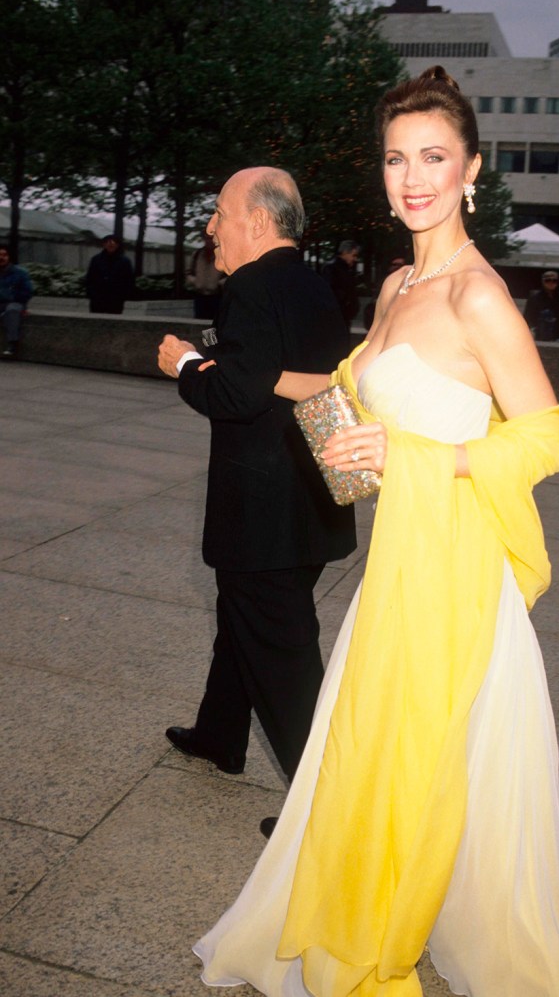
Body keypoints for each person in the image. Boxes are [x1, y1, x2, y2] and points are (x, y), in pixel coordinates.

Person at [192, 70, 559, 997]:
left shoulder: (478, 297)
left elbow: (546, 439)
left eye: (435, 158)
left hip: (449, 571)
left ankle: (379, 957)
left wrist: (426, 458)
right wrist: (221, 373)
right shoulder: (402, 279)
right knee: (371, 757)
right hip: (399, 563)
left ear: (472, 171)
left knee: (409, 770)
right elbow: (341, 387)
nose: (413, 178)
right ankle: (364, 931)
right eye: (397, 158)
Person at [157, 167, 355, 786]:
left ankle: (321, 808)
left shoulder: (250, 288)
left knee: (280, 652)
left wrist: (185, 365)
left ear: (259, 221)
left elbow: (237, 394)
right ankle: (220, 734)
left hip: (265, 510)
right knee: (247, 619)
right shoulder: (318, 287)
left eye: (220, 212)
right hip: (314, 500)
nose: (211, 226)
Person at [85, 234, 135, 314]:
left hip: (116, 297)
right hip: (98, 297)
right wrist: (91, 292)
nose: (110, 245)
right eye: (107, 243)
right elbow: (90, 277)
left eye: (113, 244)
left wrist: (124, 294)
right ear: (104, 245)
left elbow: (129, 279)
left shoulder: (125, 261)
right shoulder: (96, 259)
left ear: (117, 245)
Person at [0, 244, 33, 359]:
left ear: (9, 257)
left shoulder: (20, 273)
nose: (1, 258)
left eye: (4, 255)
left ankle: (12, 345)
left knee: (12, 310)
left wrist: (9, 296)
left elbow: (27, 292)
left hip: (15, 303)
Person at [524, 269, 559, 342]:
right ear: (543, 282)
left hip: (557, 337)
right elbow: (527, 316)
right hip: (538, 336)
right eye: (548, 280)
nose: (551, 283)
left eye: (554, 281)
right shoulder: (534, 299)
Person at [321, 240, 360, 331]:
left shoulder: (341, 269)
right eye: (353, 255)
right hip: (338, 315)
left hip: (341, 315)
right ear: (345, 253)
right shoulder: (332, 268)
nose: (355, 259)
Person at [187, 230, 225, 319]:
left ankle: (214, 334)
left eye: (211, 238)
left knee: (215, 322)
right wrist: (195, 282)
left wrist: (221, 283)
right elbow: (189, 272)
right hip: (200, 296)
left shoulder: (223, 255)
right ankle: (204, 334)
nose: (209, 241)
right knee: (201, 322)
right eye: (206, 238)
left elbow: (231, 273)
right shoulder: (197, 254)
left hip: (217, 296)